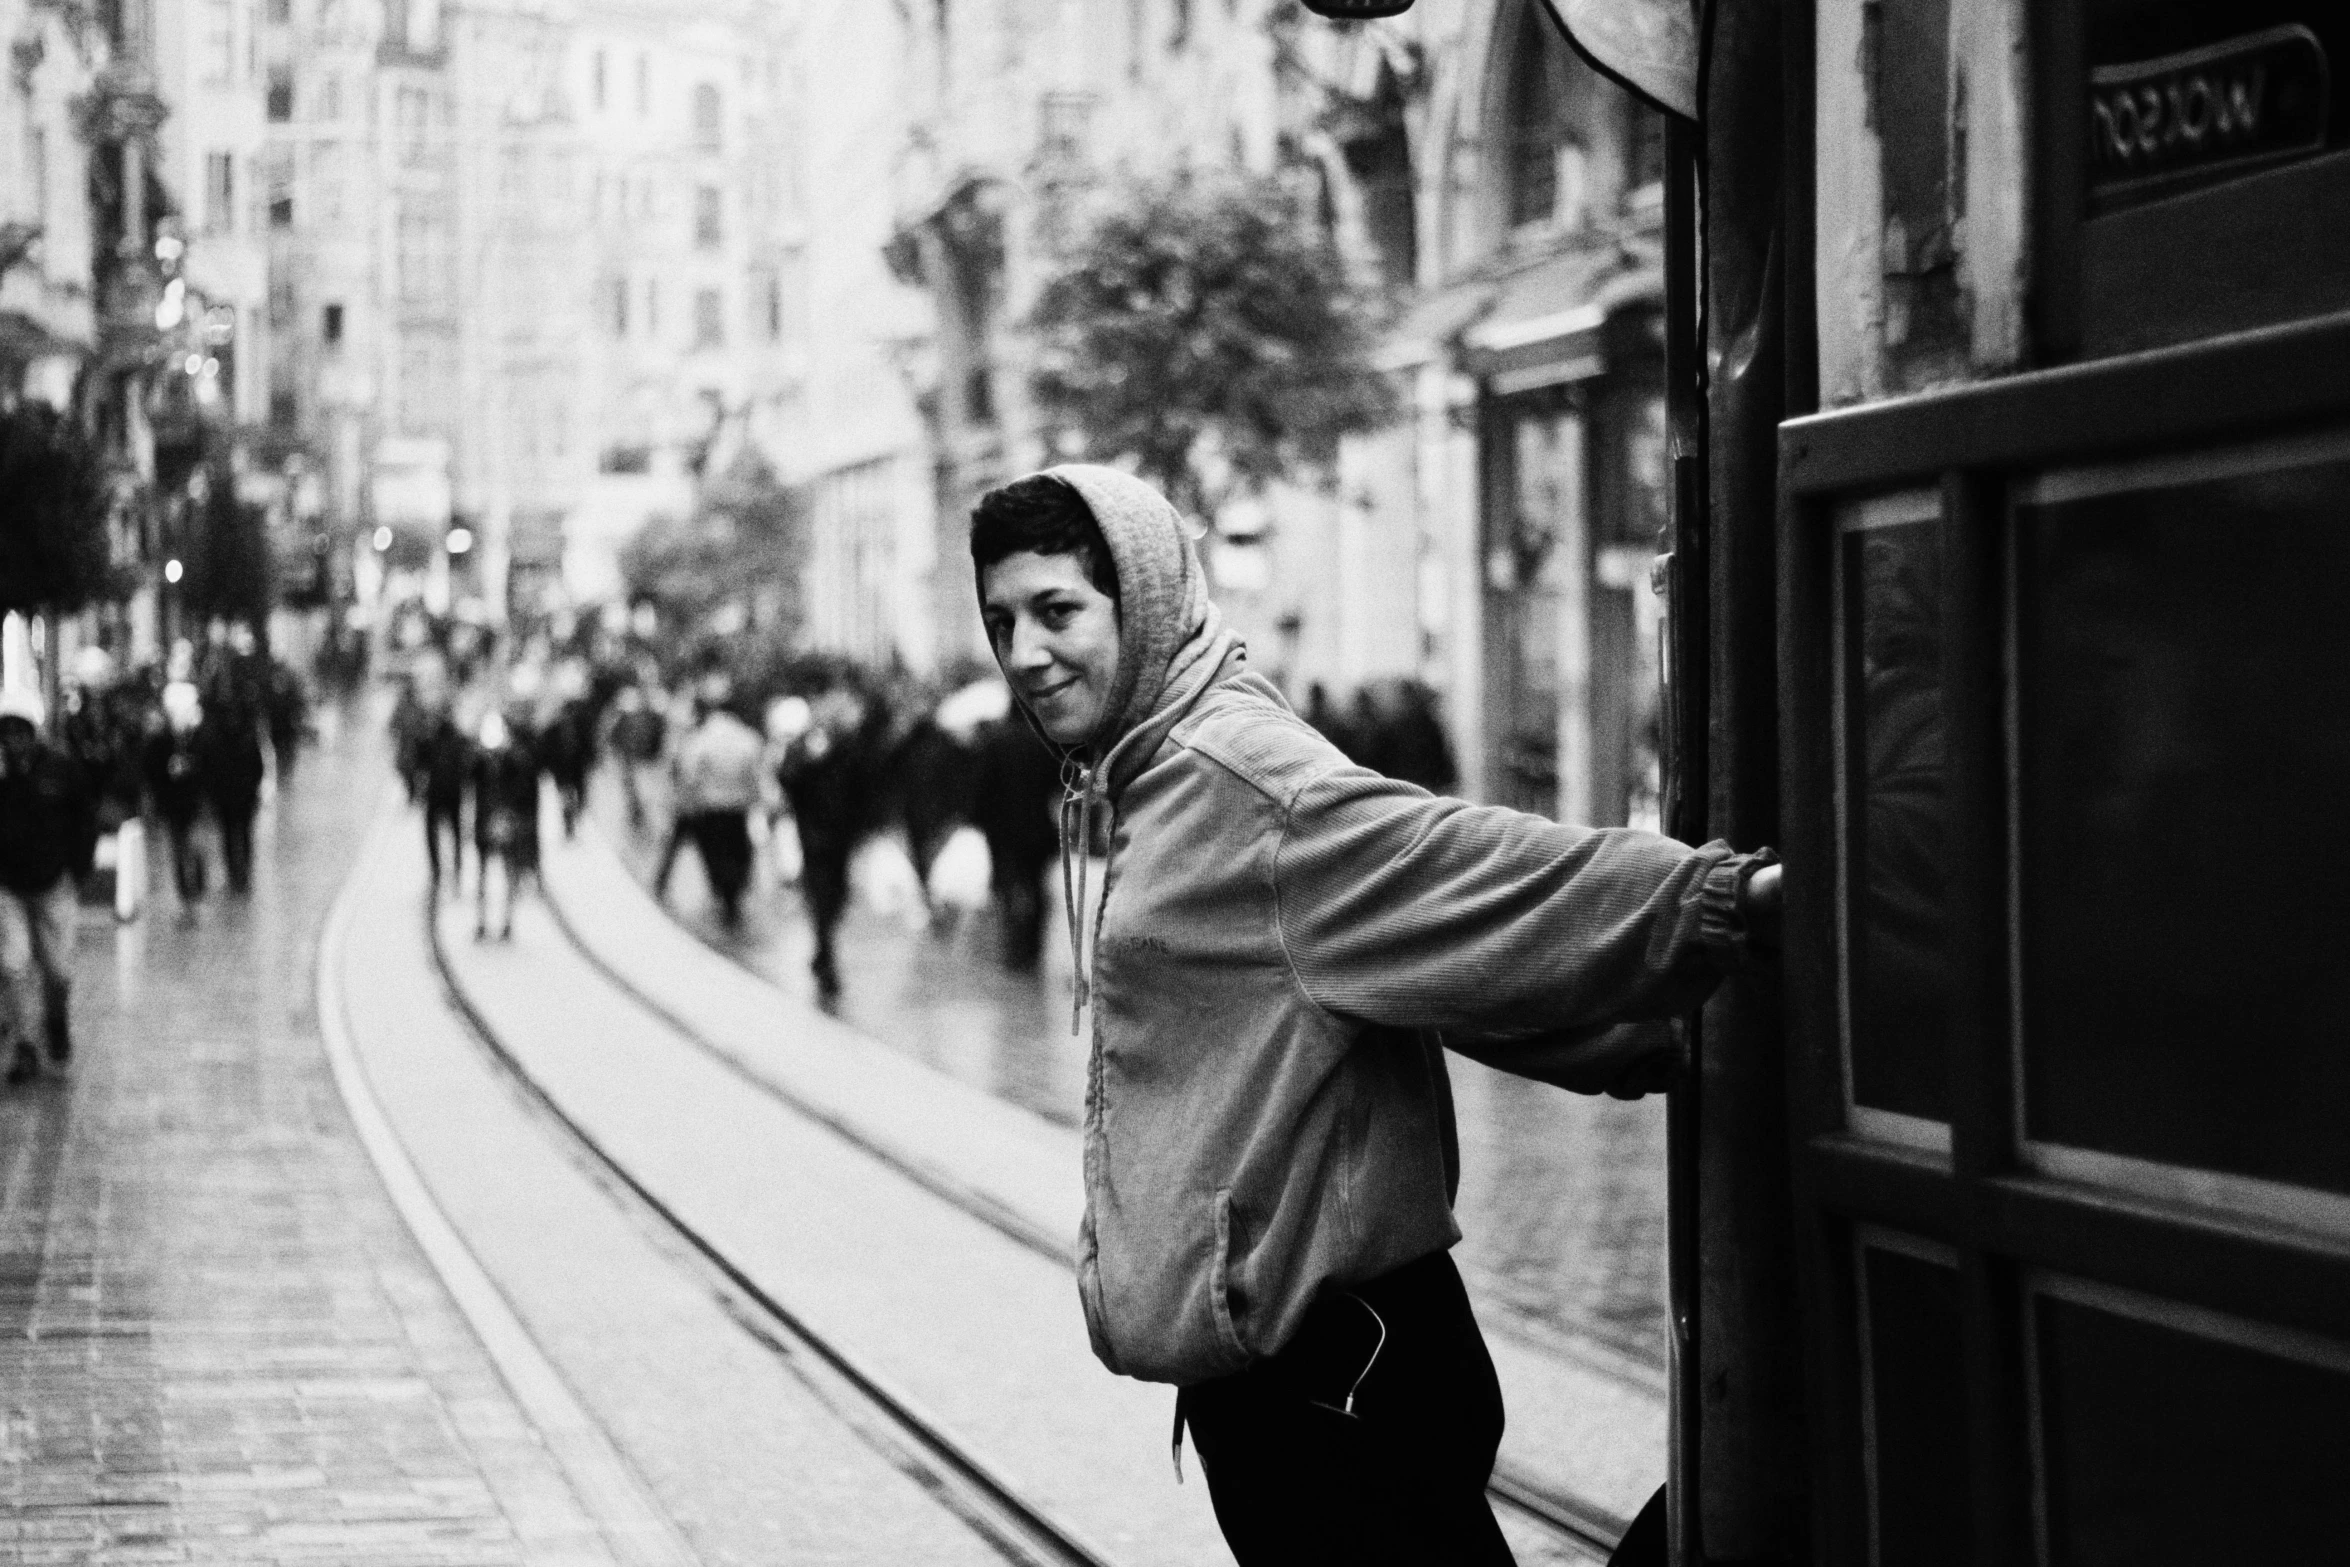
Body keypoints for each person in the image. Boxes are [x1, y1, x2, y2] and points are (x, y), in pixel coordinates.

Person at [969, 468, 1781, 1566]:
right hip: (1285, 1385)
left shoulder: (1244, 780)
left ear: (1142, 598)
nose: (1024, 653)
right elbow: (1411, 964)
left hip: (1334, 1381)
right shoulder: (1151, 775)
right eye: (1000, 619)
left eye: (1056, 611)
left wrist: (1723, 903)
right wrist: (1626, 1042)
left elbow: (1472, 877)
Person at [1, 690, 97, 1086]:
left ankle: (55, 1020)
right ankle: (25, 1044)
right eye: (5, 732)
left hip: (53, 882)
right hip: (7, 885)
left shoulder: (60, 769)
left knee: (58, 968)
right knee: (14, 963)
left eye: (18, 731)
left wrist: (78, 867)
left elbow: (83, 818)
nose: (11, 740)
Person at [666, 682, 765, 927]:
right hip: (738, 807)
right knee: (738, 851)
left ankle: (724, 895)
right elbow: (757, 774)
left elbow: (689, 773)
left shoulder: (701, 738)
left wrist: (688, 799)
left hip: (710, 807)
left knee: (714, 854)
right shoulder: (748, 737)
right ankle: (734, 896)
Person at [468, 709, 539, 940]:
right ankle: (482, 921)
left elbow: (525, 791)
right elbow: (468, 774)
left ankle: (507, 922)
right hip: (485, 821)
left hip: (507, 822)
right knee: (483, 874)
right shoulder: (479, 759)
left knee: (508, 871)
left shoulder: (517, 759)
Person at [143, 680, 212, 906]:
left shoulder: (199, 735)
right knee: (178, 848)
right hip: (172, 802)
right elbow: (152, 768)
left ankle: (197, 884)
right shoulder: (161, 738)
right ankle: (186, 892)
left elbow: (209, 763)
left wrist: (190, 766)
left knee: (195, 844)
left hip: (194, 800)